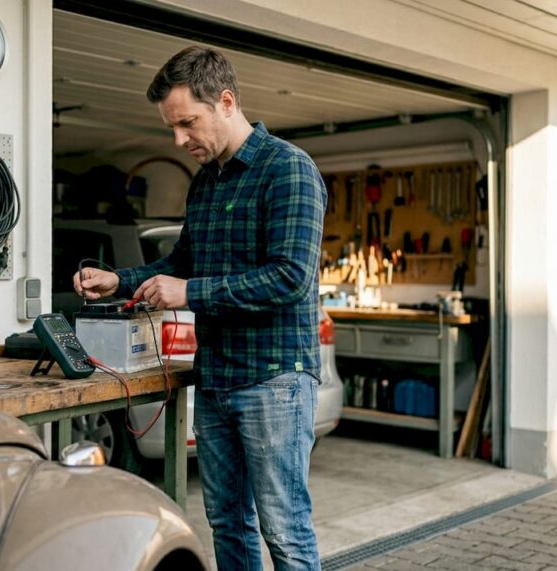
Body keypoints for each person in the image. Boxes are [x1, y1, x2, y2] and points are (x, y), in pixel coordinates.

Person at [74, 45, 327, 570]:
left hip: (274, 381)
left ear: (227, 102)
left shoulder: (289, 170)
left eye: (188, 123)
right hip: (216, 379)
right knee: (228, 525)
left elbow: (290, 278)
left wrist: (189, 294)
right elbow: (181, 261)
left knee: (285, 531)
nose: (179, 139)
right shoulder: (205, 184)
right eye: (172, 127)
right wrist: (119, 279)